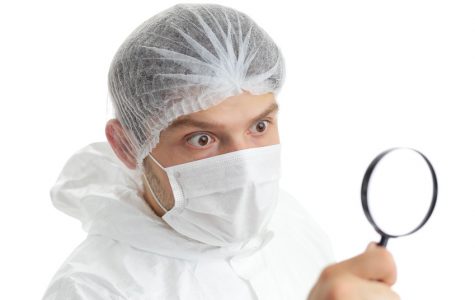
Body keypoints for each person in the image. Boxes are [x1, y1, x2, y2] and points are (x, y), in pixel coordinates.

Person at [43, 3, 399, 299]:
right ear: (126, 145)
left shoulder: (288, 222)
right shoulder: (91, 289)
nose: (245, 171)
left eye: (259, 127)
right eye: (202, 139)